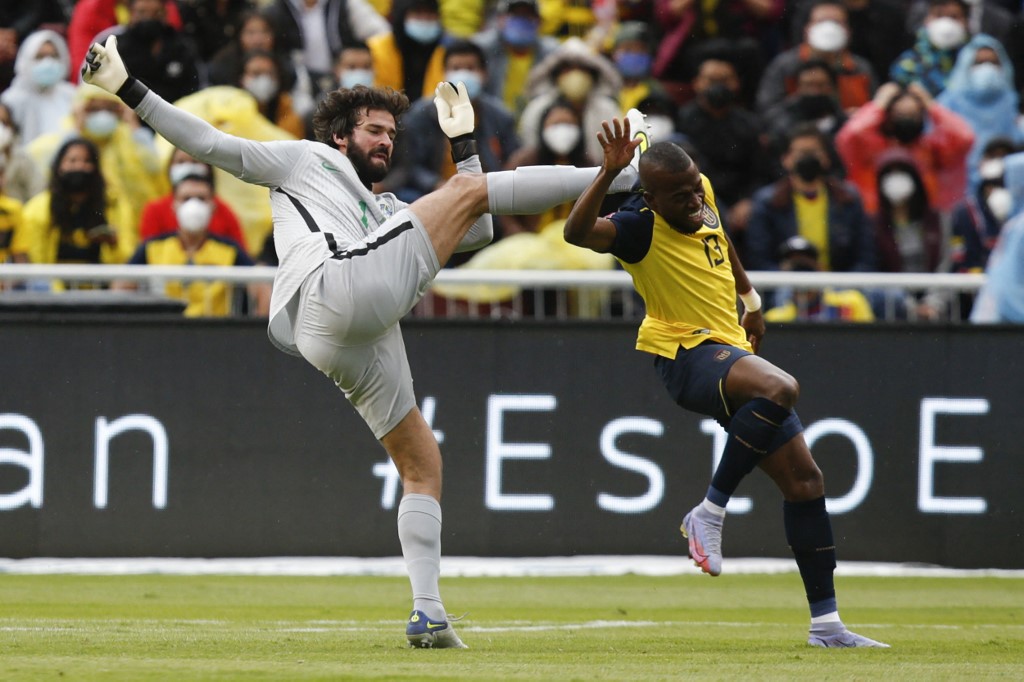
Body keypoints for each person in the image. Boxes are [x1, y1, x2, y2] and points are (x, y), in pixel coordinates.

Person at [82, 34, 641, 648]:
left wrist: (464, 146)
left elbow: (476, 229)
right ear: (340, 137)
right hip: (333, 288)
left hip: (347, 331)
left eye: (392, 134)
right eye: (374, 130)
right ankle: (620, 175)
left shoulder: (385, 208)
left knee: (422, 464)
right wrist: (128, 89)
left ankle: (428, 613)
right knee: (463, 192)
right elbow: (213, 145)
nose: (385, 141)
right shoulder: (305, 160)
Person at [561, 117, 889, 648]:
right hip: (686, 353)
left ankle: (826, 625)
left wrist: (751, 300)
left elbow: (720, 235)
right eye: (681, 196)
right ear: (651, 195)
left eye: (696, 188)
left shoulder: (698, 189)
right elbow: (575, 233)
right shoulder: (637, 224)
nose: (695, 201)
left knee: (806, 481)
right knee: (780, 387)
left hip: (729, 346)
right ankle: (708, 513)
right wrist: (607, 173)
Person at [381, 40, 520, 205]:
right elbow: (409, 165)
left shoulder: (500, 116)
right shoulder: (421, 114)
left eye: (470, 68)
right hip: (432, 194)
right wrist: (438, 185)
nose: (463, 75)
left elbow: (513, 159)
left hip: (486, 195)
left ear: (484, 73)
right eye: (456, 69)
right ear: (444, 73)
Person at [118, 172, 260, 317]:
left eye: (201, 198)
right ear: (174, 205)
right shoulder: (153, 247)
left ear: (213, 206)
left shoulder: (229, 249)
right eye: (186, 198)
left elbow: (261, 288)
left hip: (214, 333)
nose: (193, 205)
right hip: (164, 332)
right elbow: (121, 288)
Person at [746, 122, 874, 272]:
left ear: (826, 158)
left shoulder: (848, 199)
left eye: (813, 152)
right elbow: (759, 259)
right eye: (801, 153)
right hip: (786, 287)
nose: (807, 159)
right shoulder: (767, 202)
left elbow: (866, 256)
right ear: (786, 159)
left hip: (840, 288)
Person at [835, 80, 974, 214]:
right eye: (900, 114)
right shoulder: (871, 148)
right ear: (887, 117)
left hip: (925, 223)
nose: (907, 118)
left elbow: (965, 136)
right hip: (877, 222)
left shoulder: (932, 148)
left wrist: (930, 104)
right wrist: (878, 105)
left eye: (914, 114)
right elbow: (850, 135)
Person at [15, 137, 134, 269]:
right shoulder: (37, 209)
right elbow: (37, 262)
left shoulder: (114, 206)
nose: (79, 166)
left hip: (102, 286)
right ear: (59, 166)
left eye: (87, 161)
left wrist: (113, 245)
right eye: (72, 161)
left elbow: (127, 258)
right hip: (52, 286)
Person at [755, 0, 876, 116]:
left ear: (848, 32)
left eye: (837, 22)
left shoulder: (861, 69)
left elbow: (873, 109)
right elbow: (769, 108)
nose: (829, 28)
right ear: (807, 29)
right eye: (821, 21)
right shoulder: (785, 67)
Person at [936, 34, 1024, 192]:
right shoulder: (947, 103)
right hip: (958, 185)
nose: (987, 68)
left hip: (1006, 184)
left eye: (993, 62)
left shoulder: (1011, 102)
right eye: (979, 62)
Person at [139, 149, 248, 250]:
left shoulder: (224, 211)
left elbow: (241, 259)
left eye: (195, 162)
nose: (188, 167)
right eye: (181, 161)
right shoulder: (155, 210)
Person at [472, 0, 560, 117]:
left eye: (527, 15)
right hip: (493, 124)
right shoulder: (481, 49)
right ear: (499, 19)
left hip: (533, 122)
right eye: (515, 15)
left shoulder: (551, 53)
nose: (521, 20)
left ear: (539, 21)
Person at [763, 236, 875, 323]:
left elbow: (869, 344)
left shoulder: (851, 303)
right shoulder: (775, 319)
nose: (802, 273)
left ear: (819, 267)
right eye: (795, 267)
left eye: (806, 265)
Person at [1, 29, 77, 147]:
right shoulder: (12, 100)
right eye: (40, 57)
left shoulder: (71, 94)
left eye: (54, 56)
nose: (48, 62)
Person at [368, 0, 447, 101]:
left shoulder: (446, 49)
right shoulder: (376, 49)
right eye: (418, 13)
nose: (424, 20)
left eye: (430, 14)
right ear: (402, 15)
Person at [889, 0, 970, 97]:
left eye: (953, 17)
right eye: (939, 16)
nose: (946, 23)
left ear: (966, 22)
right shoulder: (907, 65)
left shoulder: (976, 60)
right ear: (926, 19)